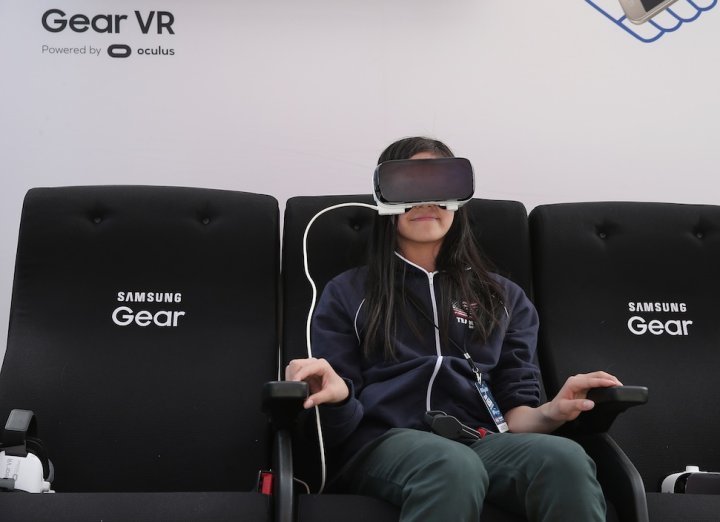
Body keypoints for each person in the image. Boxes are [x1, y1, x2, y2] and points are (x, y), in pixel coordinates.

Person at [286, 136, 621, 522]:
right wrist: (338, 394)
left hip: (480, 441)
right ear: (384, 196)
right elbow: (336, 419)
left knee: (566, 459)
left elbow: (514, 413)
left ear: (459, 200)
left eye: (440, 185)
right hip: (383, 444)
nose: (426, 202)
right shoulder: (348, 292)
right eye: (410, 185)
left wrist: (553, 411)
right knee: (450, 464)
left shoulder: (503, 297)